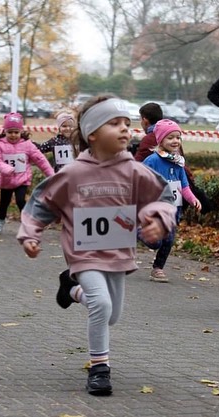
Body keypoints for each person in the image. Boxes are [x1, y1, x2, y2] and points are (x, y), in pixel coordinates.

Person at [17, 96, 176, 395]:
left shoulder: (135, 171)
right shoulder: (74, 173)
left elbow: (163, 197)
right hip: (83, 253)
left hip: (118, 253)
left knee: (111, 314)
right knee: (101, 306)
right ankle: (99, 368)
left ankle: (70, 289)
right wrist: (30, 234)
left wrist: (159, 218)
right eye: (114, 124)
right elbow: (42, 201)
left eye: (127, 124)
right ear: (92, 134)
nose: (125, 130)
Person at [142, 119, 202, 282]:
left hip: (173, 210)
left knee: (168, 240)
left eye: (178, 137)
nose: (175, 141)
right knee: (155, 242)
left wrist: (193, 200)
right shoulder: (152, 161)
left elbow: (184, 186)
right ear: (160, 140)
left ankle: (158, 268)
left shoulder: (178, 162)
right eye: (170, 138)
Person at [0, 112, 54, 234]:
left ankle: (27, 223)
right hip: (6, 180)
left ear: (21, 132)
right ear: (5, 131)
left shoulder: (27, 145)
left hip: (22, 179)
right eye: (10, 132)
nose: (13, 135)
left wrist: (51, 175)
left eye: (16, 132)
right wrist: (6, 168)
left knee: (21, 200)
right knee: (4, 203)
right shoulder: (0, 144)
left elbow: (40, 159)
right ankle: (0, 219)